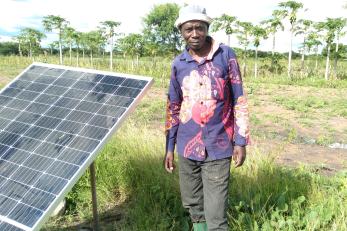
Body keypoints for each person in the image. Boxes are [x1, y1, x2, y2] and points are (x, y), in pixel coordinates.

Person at [164, 4, 250, 231]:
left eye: (199, 28)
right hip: (187, 145)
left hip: (218, 145)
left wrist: (240, 141)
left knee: (216, 215)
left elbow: (239, 100)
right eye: (188, 29)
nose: (194, 34)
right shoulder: (179, 64)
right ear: (181, 31)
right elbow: (173, 106)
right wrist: (169, 147)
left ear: (207, 27)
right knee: (194, 205)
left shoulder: (225, 56)